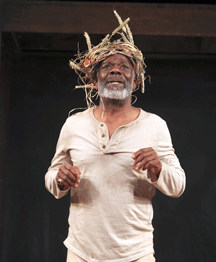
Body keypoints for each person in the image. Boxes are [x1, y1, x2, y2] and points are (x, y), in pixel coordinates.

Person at [45, 11, 186, 262]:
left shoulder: (155, 125)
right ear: (93, 78)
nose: (115, 71)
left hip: (135, 253)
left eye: (124, 66)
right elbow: (51, 176)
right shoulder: (73, 124)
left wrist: (158, 169)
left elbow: (178, 185)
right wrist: (59, 178)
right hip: (81, 253)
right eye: (107, 66)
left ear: (136, 80)